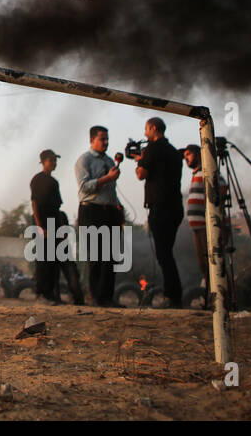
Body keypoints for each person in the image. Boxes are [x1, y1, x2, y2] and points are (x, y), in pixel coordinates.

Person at [131, 118, 184, 308]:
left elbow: (141, 174)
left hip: (160, 207)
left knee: (163, 254)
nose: (145, 133)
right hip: (176, 206)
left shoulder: (154, 149)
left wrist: (139, 162)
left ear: (153, 128)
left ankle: (173, 296)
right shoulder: (173, 151)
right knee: (167, 252)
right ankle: (174, 294)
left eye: (146, 129)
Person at [74, 126, 123, 307]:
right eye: (102, 139)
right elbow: (84, 187)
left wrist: (118, 206)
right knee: (95, 255)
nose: (106, 142)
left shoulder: (110, 161)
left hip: (109, 210)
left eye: (107, 139)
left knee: (110, 256)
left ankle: (107, 297)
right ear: (92, 140)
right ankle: (95, 297)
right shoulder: (83, 160)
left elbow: (111, 189)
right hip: (91, 210)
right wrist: (107, 179)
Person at [30, 150, 85, 305]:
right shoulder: (37, 179)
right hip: (43, 223)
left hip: (55, 224)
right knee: (43, 261)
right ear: (44, 161)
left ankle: (54, 295)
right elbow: (34, 203)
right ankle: (42, 294)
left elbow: (58, 208)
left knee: (54, 262)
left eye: (55, 161)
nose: (54, 163)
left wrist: (62, 229)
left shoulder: (54, 182)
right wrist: (40, 226)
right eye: (51, 160)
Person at [182, 144, 225, 305]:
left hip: (206, 224)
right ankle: (208, 295)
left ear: (198, 155)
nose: (186, 158)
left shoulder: (207, 170)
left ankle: (214, 297)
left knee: (209, 261)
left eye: (189, 155)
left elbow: (221, 186)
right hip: (197, 225)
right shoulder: (196, 173)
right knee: (202, 261)